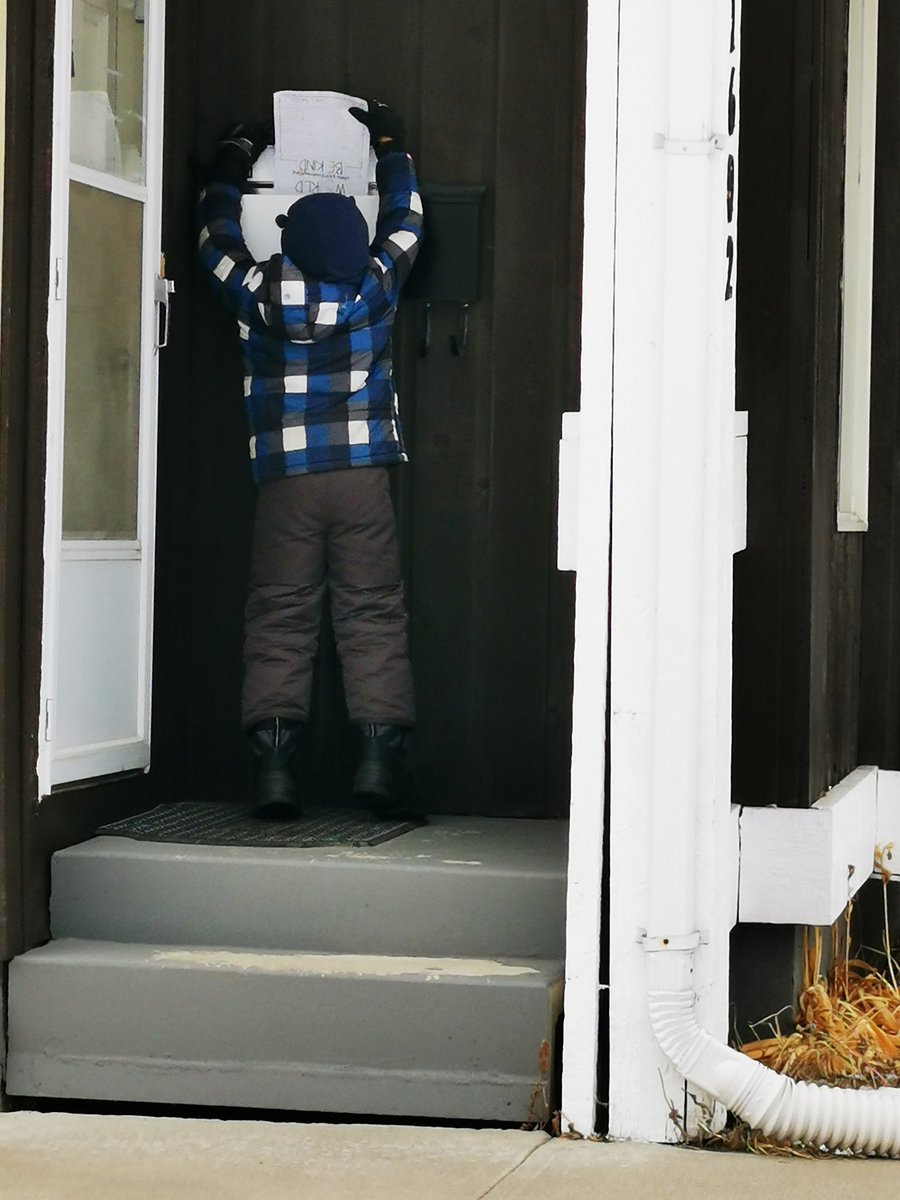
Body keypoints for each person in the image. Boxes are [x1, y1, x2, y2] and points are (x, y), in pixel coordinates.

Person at [197, 102, 423, 820]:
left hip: (285, 485)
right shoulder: (373, 291)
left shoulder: (257, 296)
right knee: (373, 614)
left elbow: (214, 236)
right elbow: (409, 222)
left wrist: (236, 156)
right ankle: (379, 764)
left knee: (281, 615)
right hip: (363, 480)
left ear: (292, 243)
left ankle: (273, 772)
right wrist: (389, 145)